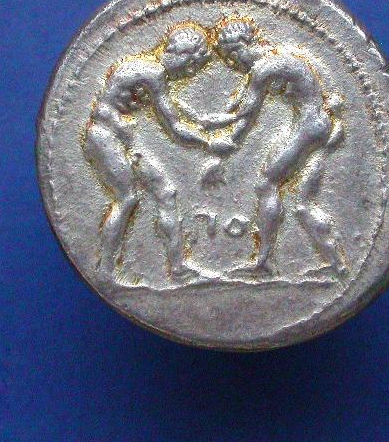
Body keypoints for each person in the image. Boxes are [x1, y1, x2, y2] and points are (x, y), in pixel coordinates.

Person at [84, 23, 234, 283]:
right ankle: (105, 271)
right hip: (104, 138)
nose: (190, 73)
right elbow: (174, 127)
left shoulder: (148, 72)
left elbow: (177, 112)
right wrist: (210, 143)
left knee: (166, 192)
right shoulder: (152, 73)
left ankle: (177, 269)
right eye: (191, 65)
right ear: (182, 55)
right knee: (127, 198)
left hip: (120, 140)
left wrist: (211, 122)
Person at [205, 16, 346, 277]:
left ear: (242, 45)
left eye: (232, 56)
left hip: (309, 127)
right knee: (303, 203)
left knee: (267, 183)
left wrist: (222, 138)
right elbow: (243, 110)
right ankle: (336, 264)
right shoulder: (277, 62)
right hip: (319, 125)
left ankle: (264, 263)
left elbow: (247, 114)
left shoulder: (264, 68)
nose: (234, 64)